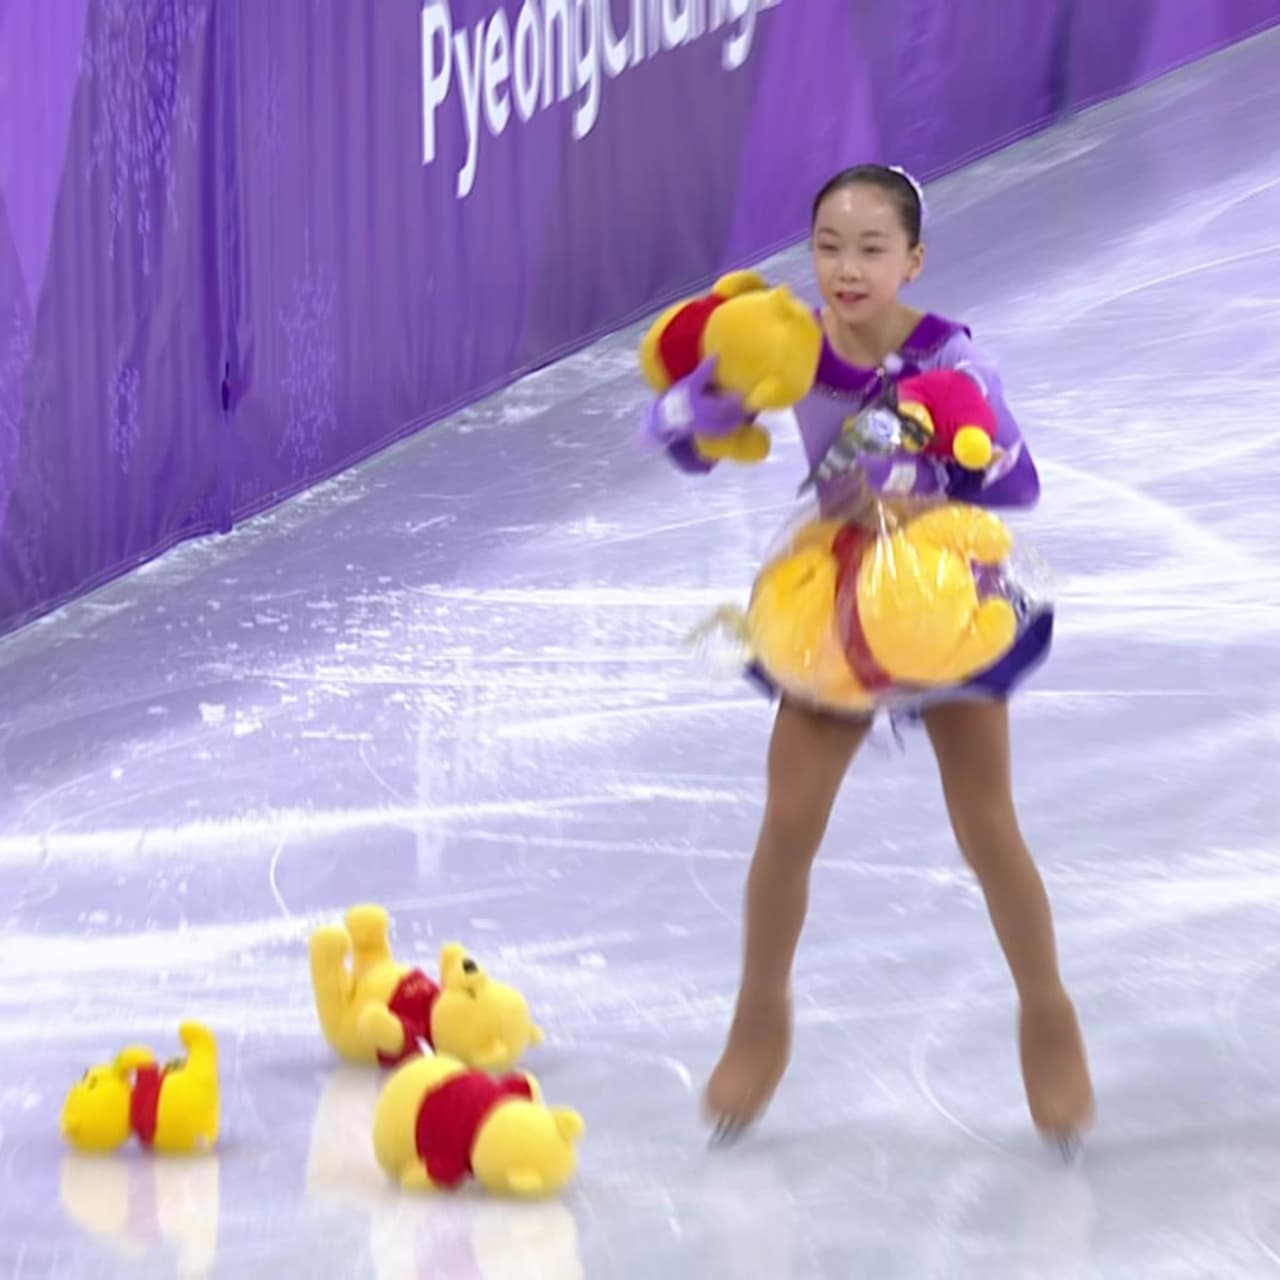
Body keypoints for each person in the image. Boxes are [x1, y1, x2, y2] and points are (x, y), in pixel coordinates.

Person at [642, 164, 1094, 1147]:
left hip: (938, 598)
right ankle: (760, 1009)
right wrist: (700, 412)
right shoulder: (791, 341)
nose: (844, 268)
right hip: (831, 598)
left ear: (912, 259)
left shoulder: (950, 357)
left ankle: (1045, 1009)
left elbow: (1014, 482)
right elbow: (686, 429)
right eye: (827, 247)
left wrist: (917, 489)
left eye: (869, 248)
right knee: (790, 814)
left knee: (983, 822)